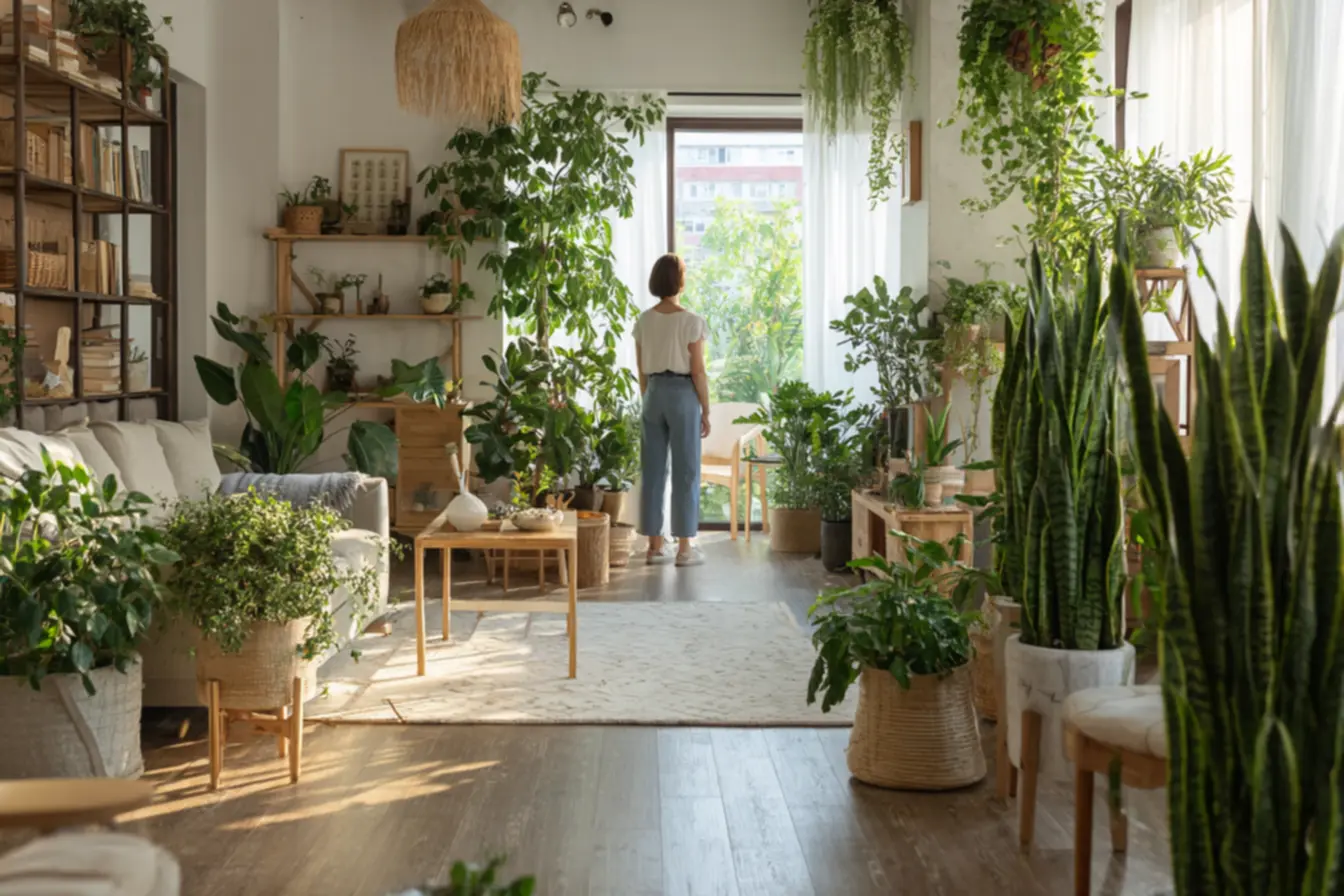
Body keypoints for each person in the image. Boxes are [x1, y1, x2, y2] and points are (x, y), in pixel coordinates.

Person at [634, 253, 711, 567]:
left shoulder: (643, 321)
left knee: (652, 471)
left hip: (653, 393)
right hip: (682, 395)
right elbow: (698, 371)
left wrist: (649, 397)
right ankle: (684, 550)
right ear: (679, 281)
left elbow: (641, 370)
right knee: (686, 470)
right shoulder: (691, 321)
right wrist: (706, 410)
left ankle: (654, 547)